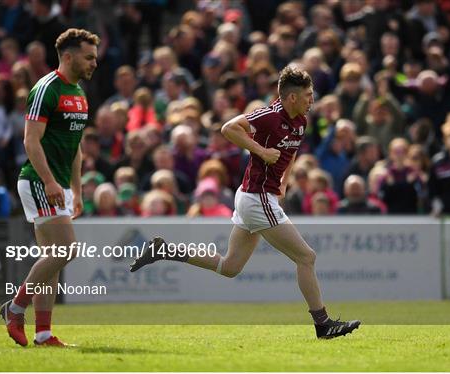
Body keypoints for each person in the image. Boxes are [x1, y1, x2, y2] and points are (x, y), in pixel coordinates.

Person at [130, 66, 360, 339]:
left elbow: (290, 154)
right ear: (292, 97)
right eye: (308, 95)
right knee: (306, 257)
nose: (313, 100)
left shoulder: (300, 120)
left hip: (258, 196)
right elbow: (229, 128)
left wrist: (283, 186)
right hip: (255, 197)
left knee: (230, 267)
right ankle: (323, 324)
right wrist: (261, 150)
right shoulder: (270, 116)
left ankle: (165, 250)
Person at [0, 28, 100, 347]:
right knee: (65, 250)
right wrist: (50, 181)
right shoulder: (47, 88)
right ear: (68, 56)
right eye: (88, 57)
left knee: (51, 259)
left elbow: (75, 146)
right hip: (39, 181)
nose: (94, 63)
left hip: (58, 186)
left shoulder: (80, 94)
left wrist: (77, 190)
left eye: (95, 58)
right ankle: (15, 309)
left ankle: (43, 334)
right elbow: (31, 140)